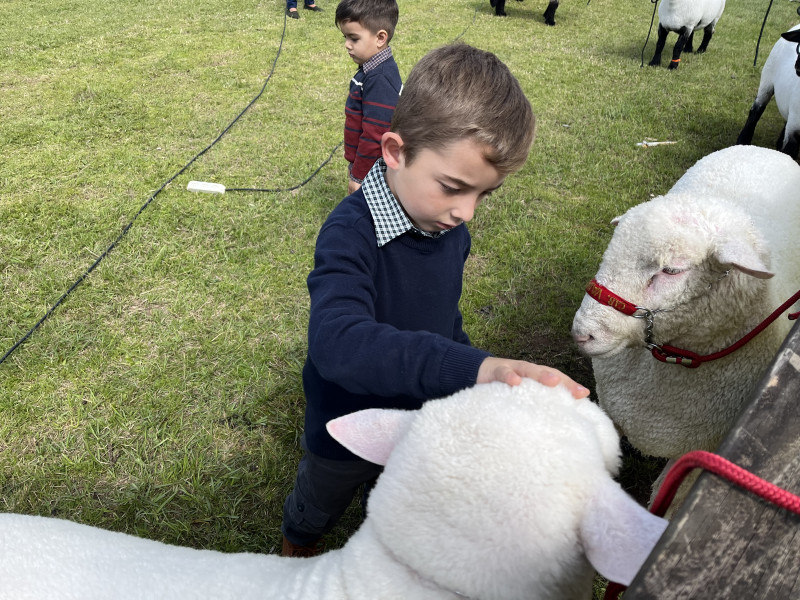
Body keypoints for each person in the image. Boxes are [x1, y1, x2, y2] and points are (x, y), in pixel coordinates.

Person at [280, 43, 590, 557]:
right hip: (347, 425)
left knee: (396, 496)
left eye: (482, 195)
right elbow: (337, 343)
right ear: (396, 151)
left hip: (419, 420)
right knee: (323, 495)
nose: (466, 211)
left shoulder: (445, 227)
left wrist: (469, 372)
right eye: (453, 187)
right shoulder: (351, 232)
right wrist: (478, 369)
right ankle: (298, 540)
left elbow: (444, 318)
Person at [335, 0, 402, 194]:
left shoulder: (380, 80)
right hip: (366, 164)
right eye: (345, 37)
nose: (347, 45)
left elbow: (376, 135)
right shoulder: (371, 70)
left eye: (353, 38)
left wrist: (359, 176)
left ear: (380, 37)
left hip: (375, 169)